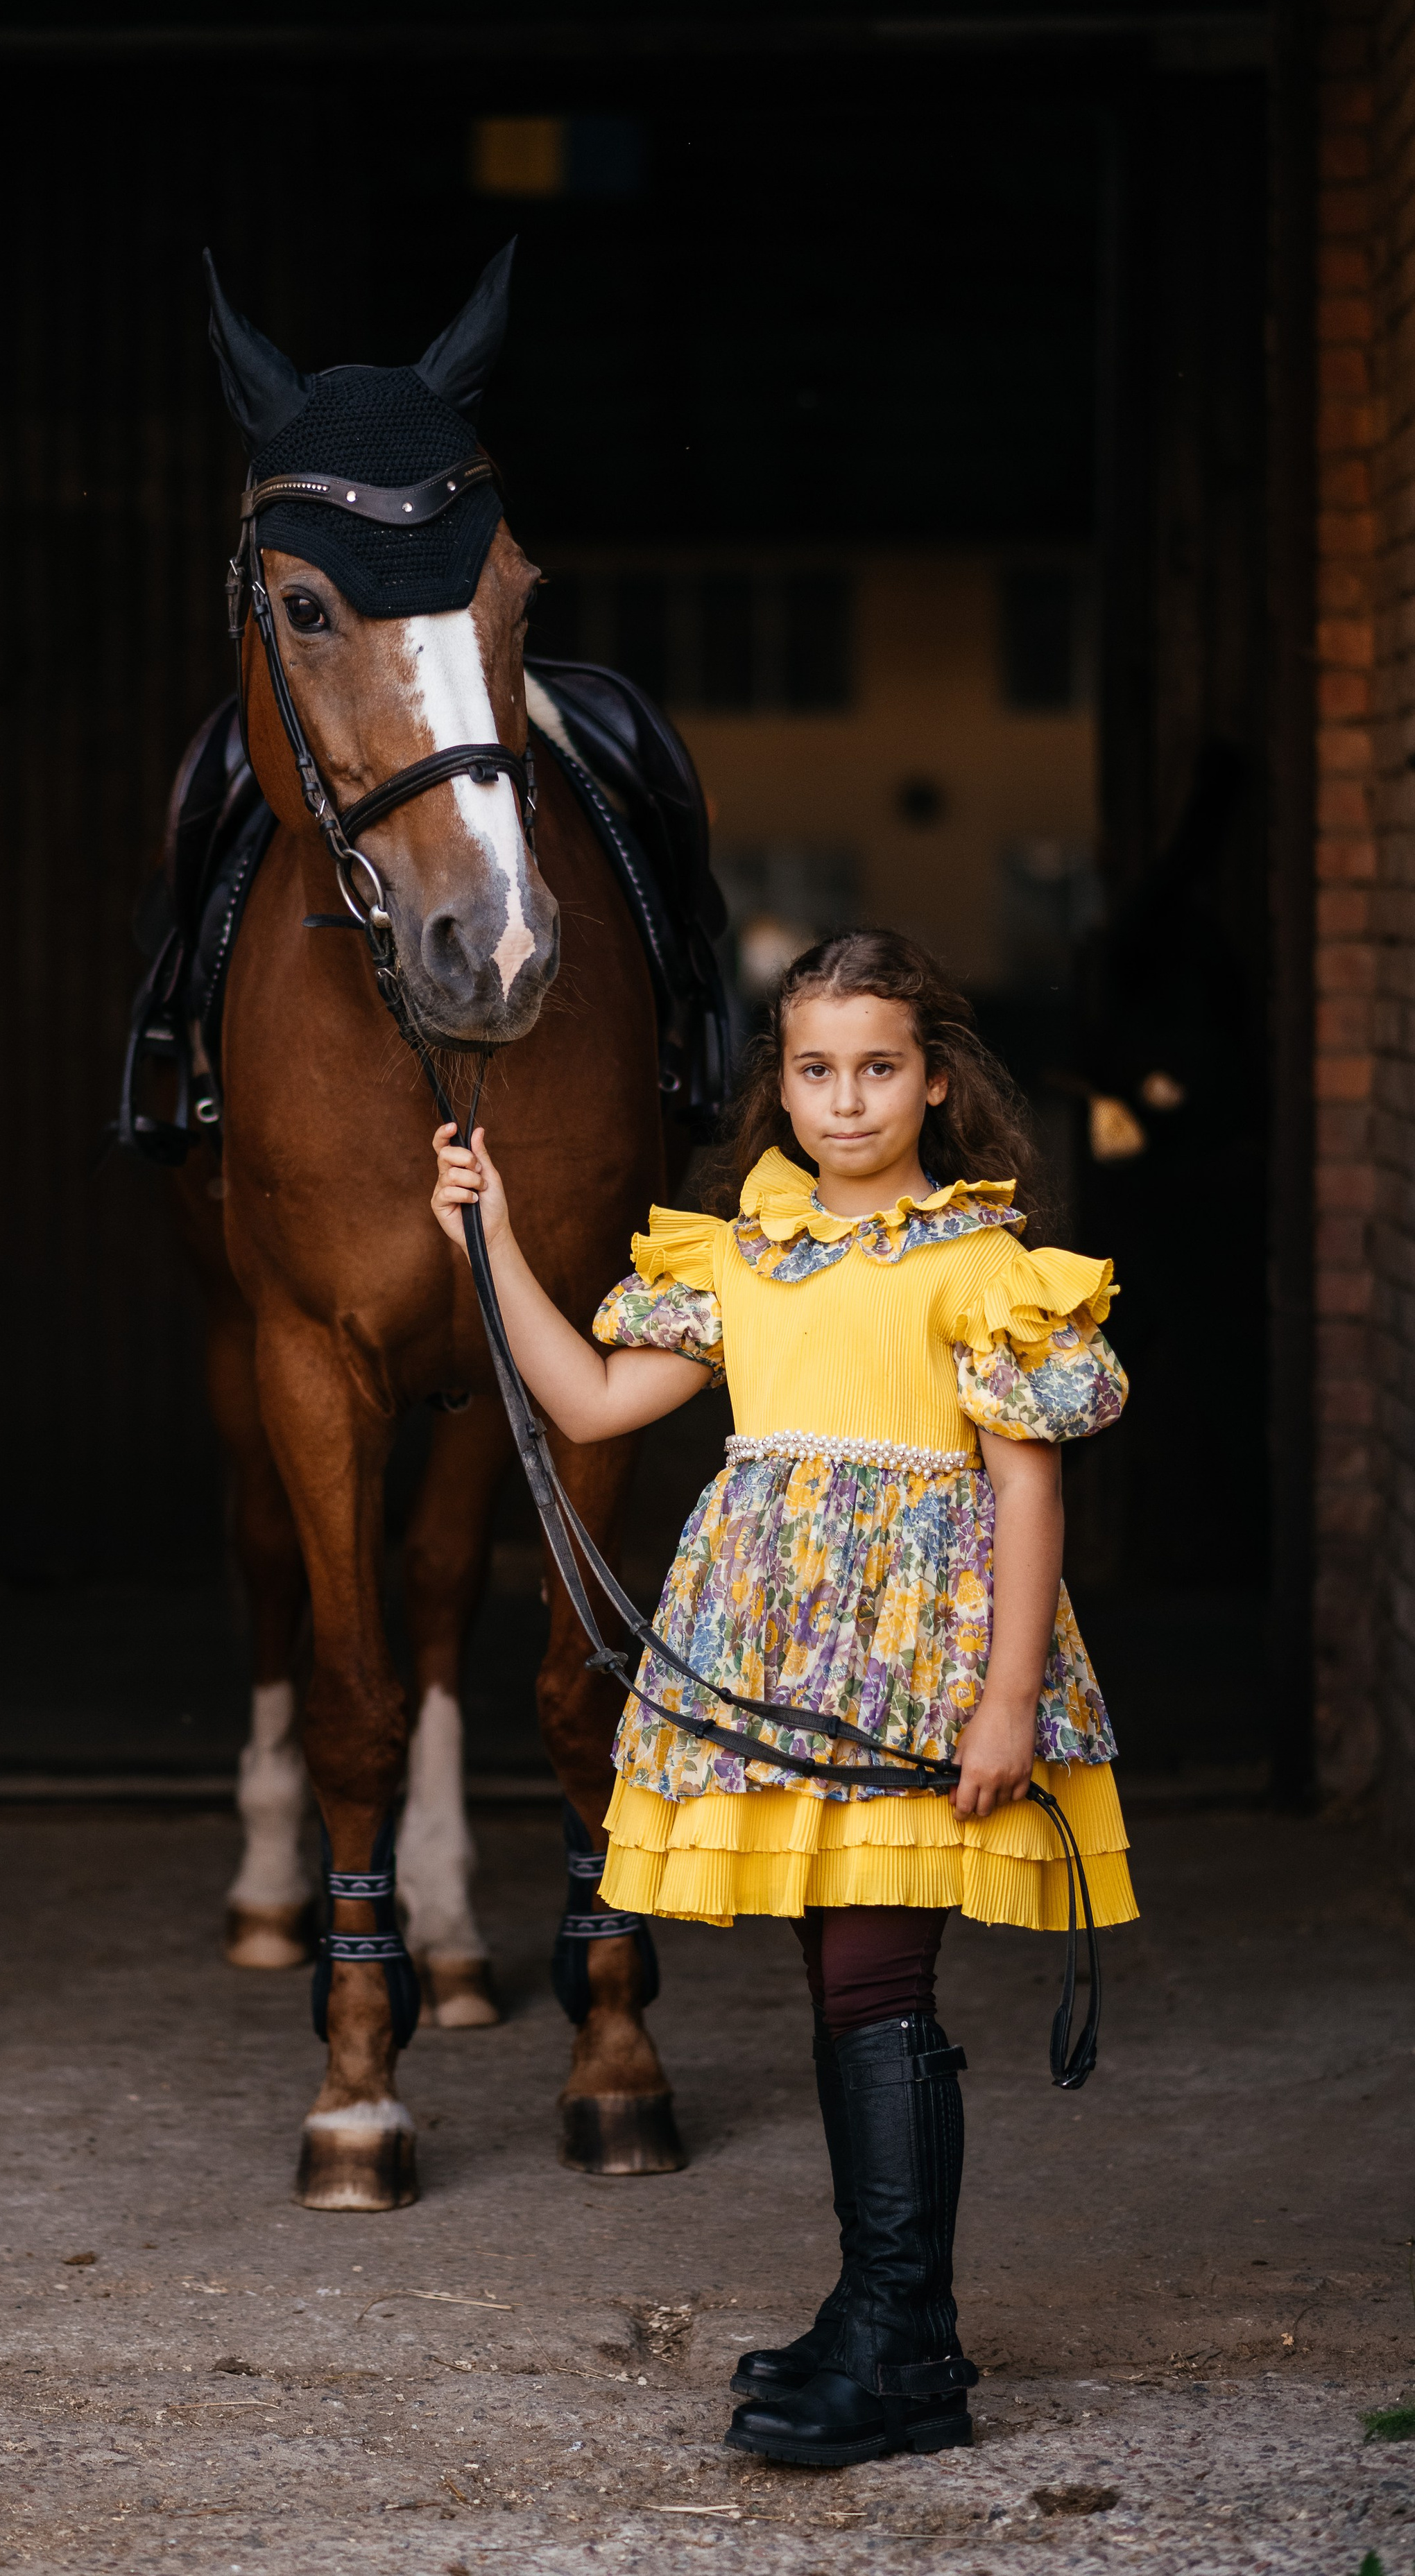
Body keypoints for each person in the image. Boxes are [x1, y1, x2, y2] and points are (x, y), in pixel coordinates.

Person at [429, 927, 1136, 2471]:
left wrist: (1005, 1698)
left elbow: (1025, 1494)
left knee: (879, 1985)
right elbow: (591, 1398)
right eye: (814, 1070)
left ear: (932, 1080)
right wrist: (482, 1244)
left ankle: (898, 2349)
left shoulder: (977, 1266)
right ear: (782, 1086)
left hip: (917, 1674)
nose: (844, 1099)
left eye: (877, 1067)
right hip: (774, 1671)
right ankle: (891, 2323)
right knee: (845, 1987)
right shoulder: (742, 1255)